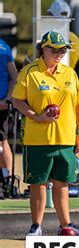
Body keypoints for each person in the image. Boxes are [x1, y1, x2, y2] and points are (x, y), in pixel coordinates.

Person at [12, 30, 79, 236]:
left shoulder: (70, 73)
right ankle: (36, 227)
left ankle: (66, 226)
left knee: (62, 183)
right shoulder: (29, 72)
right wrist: (36, 117)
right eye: (54, 49)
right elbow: (17, 100)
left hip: (65, 138)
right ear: (43, 49)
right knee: (38, 184)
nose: (59, 53)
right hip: (37, 139)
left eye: (62, 49)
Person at [24, 0, 79, 69]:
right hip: (66, 77)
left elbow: (26, 63)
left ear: (50, 15)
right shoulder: (75, 39)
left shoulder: (43, 36)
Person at [0, 38, 18, 195]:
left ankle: (8, 179)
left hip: (2, 104)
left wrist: (7, 98)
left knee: (3, 140)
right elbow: (14, 75)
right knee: (3, 140)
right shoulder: (5, 46)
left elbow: (14, 75)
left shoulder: (3, 47)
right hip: (3, 103)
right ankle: (8, 180)